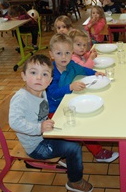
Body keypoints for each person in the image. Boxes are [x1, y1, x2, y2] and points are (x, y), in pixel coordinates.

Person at [9, 54, 94, 192]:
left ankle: (68, 159)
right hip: (36, 146)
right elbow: (14, 122)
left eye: (44, 74)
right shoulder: (21, 98)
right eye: (33, 72)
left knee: (74, 131)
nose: (39, 78)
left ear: (50, 80)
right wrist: (39, 127)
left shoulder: (41, 92)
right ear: (23, 75)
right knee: (74, 148)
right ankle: (75, 181)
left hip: (45, 135)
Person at [46, 33, 119, 163]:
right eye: (59, 53)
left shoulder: (71, 64)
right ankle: (97, 152)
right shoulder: (50, 72)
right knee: (81, 127)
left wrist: (95, 73)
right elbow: (53, 93)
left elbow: (83, 70)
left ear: (72, 52)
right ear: (51, 54)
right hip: (55, 110)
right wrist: (70, 87)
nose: (64, 57)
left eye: (67, 53)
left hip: (70, 102)